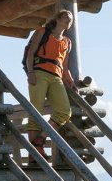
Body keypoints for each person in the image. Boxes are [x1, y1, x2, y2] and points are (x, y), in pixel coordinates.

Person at [22, 10, 76, 162]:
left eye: (71, 20)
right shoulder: (42, 32)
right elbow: (31, 53)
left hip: (56, 77)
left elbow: (65, 67)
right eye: (66, 18)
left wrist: (71, 83)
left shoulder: (67, 42)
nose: (69, 21)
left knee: (64, 112)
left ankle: (40, 140)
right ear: (58, 18)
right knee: (36, 112)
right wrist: (30, 72)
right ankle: (35, 154)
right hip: (39, 73)